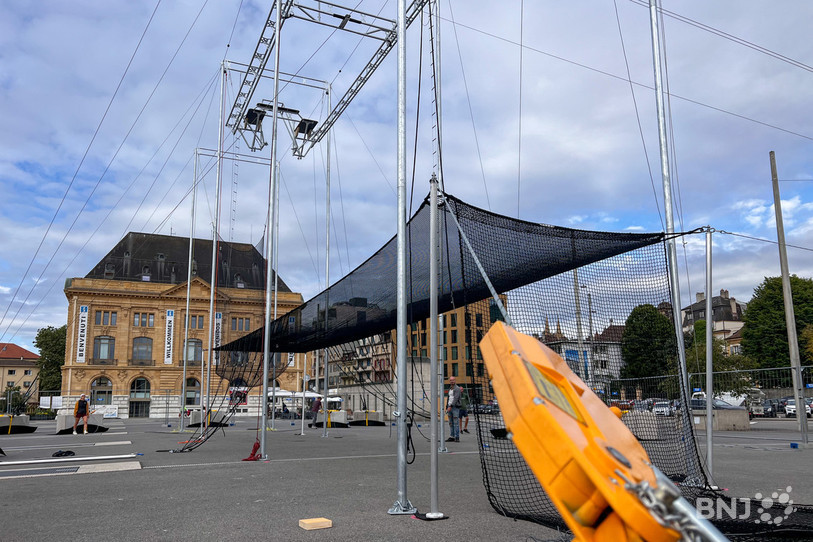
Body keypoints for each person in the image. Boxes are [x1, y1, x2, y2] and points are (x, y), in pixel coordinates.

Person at [446, 377, 462, 442]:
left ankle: (457, 437)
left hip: (455, 407)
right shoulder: (450, 388)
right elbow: (449, 398)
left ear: (455, 381)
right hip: (449, 406)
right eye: (450, 380)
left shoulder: (457, 388)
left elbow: (456, 398)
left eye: (453, 380)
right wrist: (447, 406)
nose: (452, 381)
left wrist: (451, 406)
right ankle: (451, 436)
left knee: (456, 423)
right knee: (450, 423)